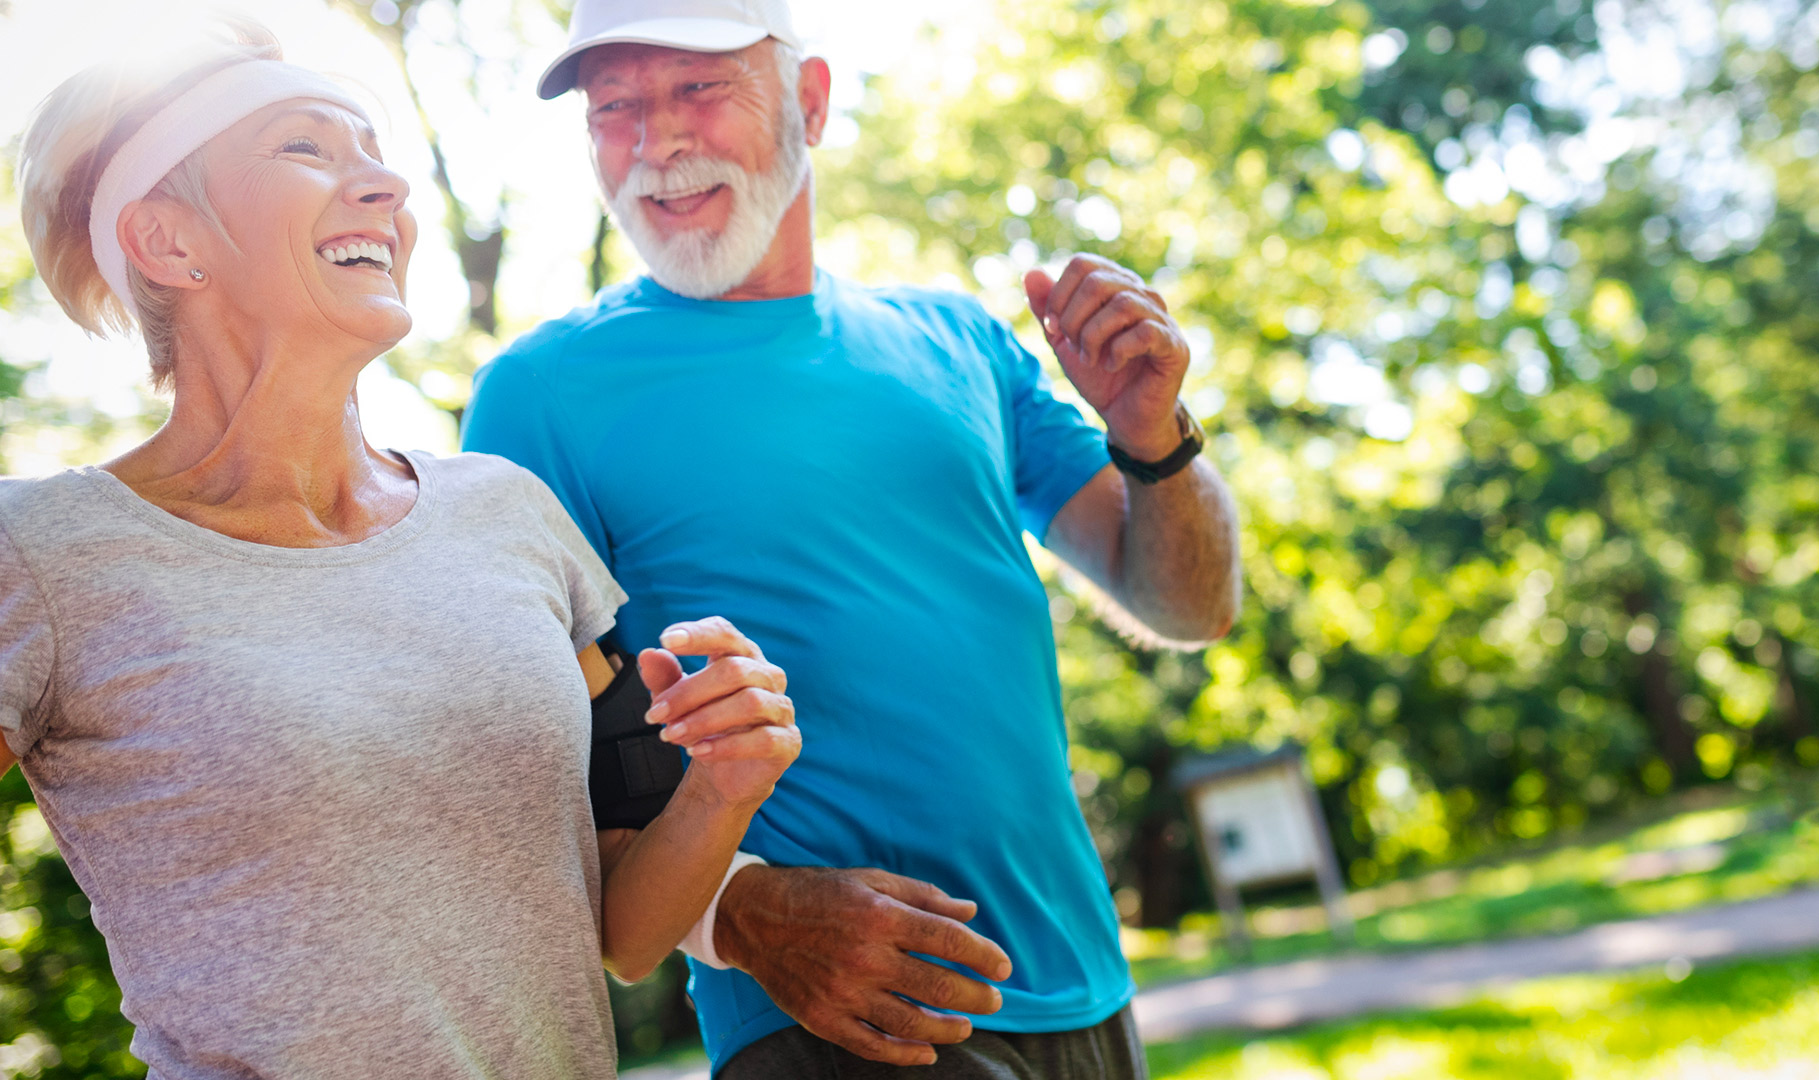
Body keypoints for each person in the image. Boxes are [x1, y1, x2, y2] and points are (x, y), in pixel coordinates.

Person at [3, 22, 799, 1079]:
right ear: (166, 241)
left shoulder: (509, 515)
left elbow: (625, 931)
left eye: (375, 154)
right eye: (305, 148)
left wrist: (723, 786)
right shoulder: (45, 555)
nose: (383, 187)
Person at [462, 1, 1242, 1076]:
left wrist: (1154, 439)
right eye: (616, 107)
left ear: (811, 102)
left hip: (1089, 994)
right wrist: (749, 915)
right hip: (834, 1019)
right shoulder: (539, 398)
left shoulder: (961, 341)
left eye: (699, 88)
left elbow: (1188, 605)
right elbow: (533, 793)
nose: (658, 139)